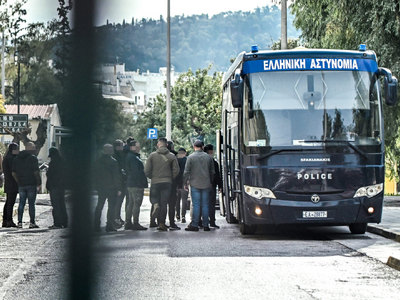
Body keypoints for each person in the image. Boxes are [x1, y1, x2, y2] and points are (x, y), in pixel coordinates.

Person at [144, 137, 179, 231]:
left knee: (155, 199)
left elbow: (146, 170)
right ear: (167, 145)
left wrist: (152, 176)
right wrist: (170, 178)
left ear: (158, 145)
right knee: (164, 203)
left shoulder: (152, 155)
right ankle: (162, 224)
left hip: (155, 182)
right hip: (167, 183)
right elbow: (176, 170)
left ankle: (155, 205)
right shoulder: (172, 156)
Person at [184, 140, 214, 232]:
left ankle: (195, 225)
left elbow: (186, 172)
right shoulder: (208, 158)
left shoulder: (190, 157)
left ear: (194, 147)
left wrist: (185, 183)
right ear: (203, 147)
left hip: (194, 184)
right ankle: (206, 225)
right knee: (205, 205)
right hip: (206, 184)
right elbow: (212, 171)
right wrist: (211, 182)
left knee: (196, 205)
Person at [12, 142, 41, 229]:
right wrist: (39, 182)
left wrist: (18, 181)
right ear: (30, 148)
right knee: (31, 203)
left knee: (21, 203)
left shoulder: (17, 158)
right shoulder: (33, 158)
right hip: (31, 183)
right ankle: (32, 222)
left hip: (21, 184)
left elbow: (13, 173)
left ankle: (19, 222)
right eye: (33, 147)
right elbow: (36, 172)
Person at [94, 144, 122, 232]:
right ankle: (109, 225)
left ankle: (96, 225)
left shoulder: (98, 161)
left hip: (101, 187)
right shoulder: (113, 161)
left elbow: (95, 175)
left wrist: (96, 185)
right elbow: (116, 176)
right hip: (111, 187)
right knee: (111, 207)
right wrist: (119, 188)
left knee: (99, 205)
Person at [125, 140, 148, 230]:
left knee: (131, 203)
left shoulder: (131, 156)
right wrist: (140, 185)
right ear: (131, 147)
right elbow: (136, 172)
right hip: (135, 184)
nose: (138, 148)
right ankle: (135, 223)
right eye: (136, 146)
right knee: (136, 203)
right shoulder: (133, 158)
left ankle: (128, 222)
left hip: (131, 183)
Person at [46, 147, 68, 229]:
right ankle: (65, 222)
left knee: (55, 204)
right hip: (61, 186)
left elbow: (50, 174)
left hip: (54, 186)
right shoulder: (63, 161)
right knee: (62, 203)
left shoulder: (53, 163)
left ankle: (57, 222)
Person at [204, 144, 223, 228]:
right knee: (211, 204)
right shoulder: (213, 162)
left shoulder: (202, 161)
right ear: (210, 151)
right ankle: (212, 221)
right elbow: (217, 175)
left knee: (203, 204)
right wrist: (220, 185)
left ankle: (203, 221)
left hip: (202, 185)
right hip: (211, 186)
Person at [2, 143, 19, 227]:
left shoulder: (6, 158)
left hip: (8, 182)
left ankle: (5, 220)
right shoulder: (11, 159)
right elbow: (14, 171)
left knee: (8, 202)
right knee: (10, 202)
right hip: (12, 182)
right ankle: (9, 220)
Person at [113, 139, 128, 228]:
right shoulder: (116, 157)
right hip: (118, 182)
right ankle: (115, 218)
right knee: (117, 201)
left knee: (118, 201)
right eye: (122, 146)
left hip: (118, 182)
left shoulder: (117, 155)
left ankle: (117, 217)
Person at [166, 140, 180, 227]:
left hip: (160, 183)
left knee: (162, 203)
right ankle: (172, 222)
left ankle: (160, 222)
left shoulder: (155, 155)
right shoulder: (173, 156)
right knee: (172, 204)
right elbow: (177, 170)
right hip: (172, 183)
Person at [175, 147, 189, 223]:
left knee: (177, 200)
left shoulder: (175, 160)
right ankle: (183, 216)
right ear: (185, 153)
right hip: (184, 182)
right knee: (184, 200)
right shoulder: (187, 160)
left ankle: (177, 215)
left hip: (176, 183)